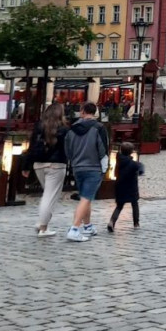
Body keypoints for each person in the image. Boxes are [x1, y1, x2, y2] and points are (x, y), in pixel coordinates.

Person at [63, 102, 110, 242]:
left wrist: (73, 161)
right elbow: (103, 148)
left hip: (77, 167)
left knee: (86, 196)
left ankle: (87, 226)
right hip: (93, 167)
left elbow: (68, 149)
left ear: (82, 111)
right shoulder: (99, 128)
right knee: (86, 198)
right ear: (95, 112)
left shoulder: (72, 129)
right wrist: (104, 167)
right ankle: (74, 228)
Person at [29, 102, 68, 237]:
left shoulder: (39, 126)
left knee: (48, 194)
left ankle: (43, 223)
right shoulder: (63, 129)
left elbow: (31, 146)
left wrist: (26, 165)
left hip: (38, 164)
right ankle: (43, 226)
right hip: (56, 165)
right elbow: (66, 148)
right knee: (50, 196)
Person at [107, 142, 144, 232]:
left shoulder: (118, 161)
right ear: (131, 152)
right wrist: (140, 171)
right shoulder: (133, 164)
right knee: (134, 204)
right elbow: (140, 166)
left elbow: (115, 174)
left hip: (120, 186)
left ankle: (112, 222)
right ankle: (136, 223)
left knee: (119, 206)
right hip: (131, 187)